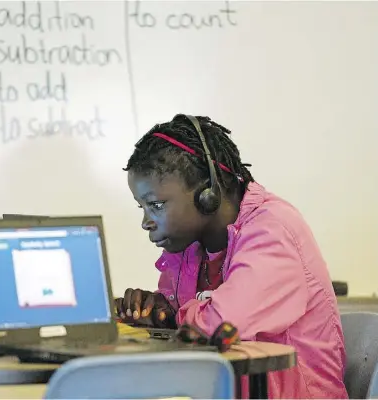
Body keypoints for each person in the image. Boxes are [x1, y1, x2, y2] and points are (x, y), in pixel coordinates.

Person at [115, 114, 347, 399]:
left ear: (207, 194)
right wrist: (158, 312)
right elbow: (189, 320)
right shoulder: (190, 247)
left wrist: (179, 316)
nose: (146, 222)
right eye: (142, 207)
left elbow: (222, 325)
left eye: (156, 205)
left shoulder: (272, 228)